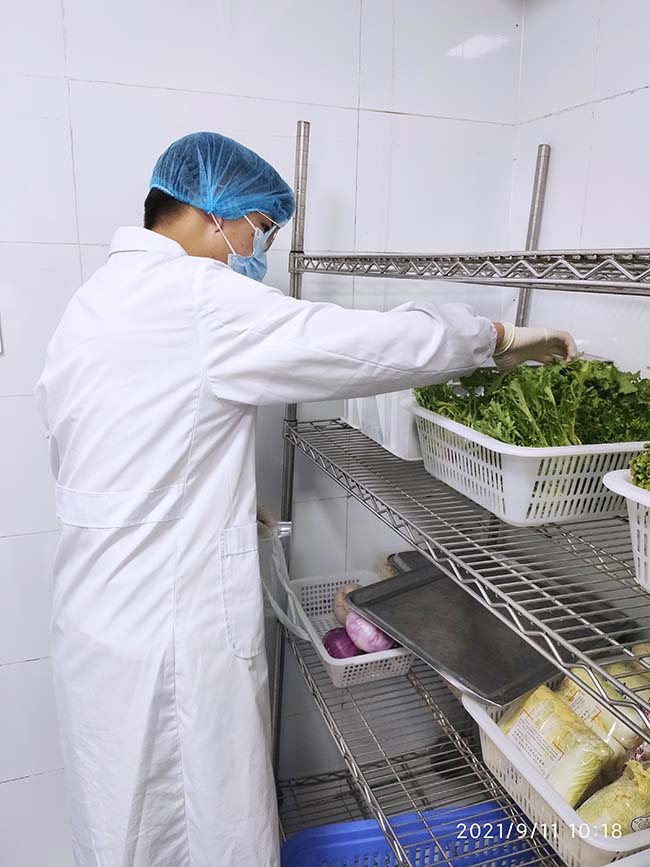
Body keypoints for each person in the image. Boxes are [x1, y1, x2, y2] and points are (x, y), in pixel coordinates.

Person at [34, 131, 576, 867]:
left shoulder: (97, 298)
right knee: (196, 825)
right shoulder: (198, 297)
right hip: (170, 631)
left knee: (124, 825)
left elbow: (97, 449)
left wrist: (208, 500)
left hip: (99, 613)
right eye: (261, 229)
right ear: (214, 214)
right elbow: (360, 344)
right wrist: (497, 336)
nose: (259, 250)